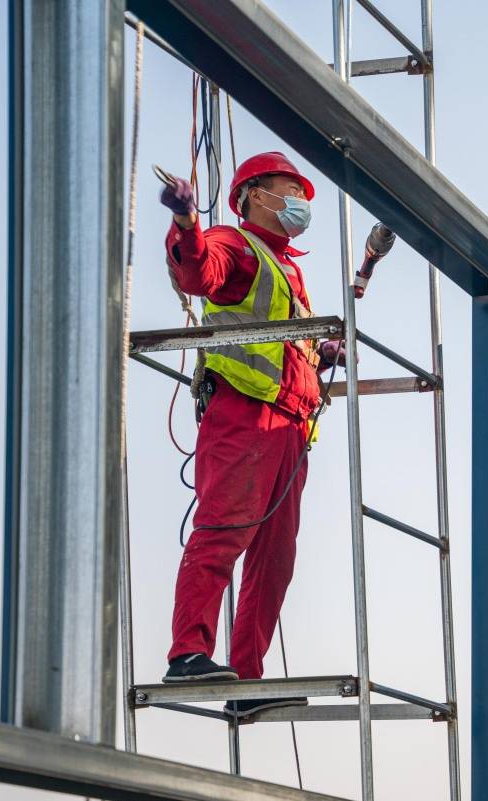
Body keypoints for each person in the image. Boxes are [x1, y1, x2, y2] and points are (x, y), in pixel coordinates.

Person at [157, 151, 346, 719]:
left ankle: (248, 679)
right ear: (253, 195)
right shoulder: (237, 245)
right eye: (289, 190)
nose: (298, 204)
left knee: (274, 557)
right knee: (224, 534)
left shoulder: (288, 267)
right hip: (244, 418)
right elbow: (199, 273)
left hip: (288, 428)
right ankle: (189, 652)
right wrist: (187, 224)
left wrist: (317, 351)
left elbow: (278, 338)